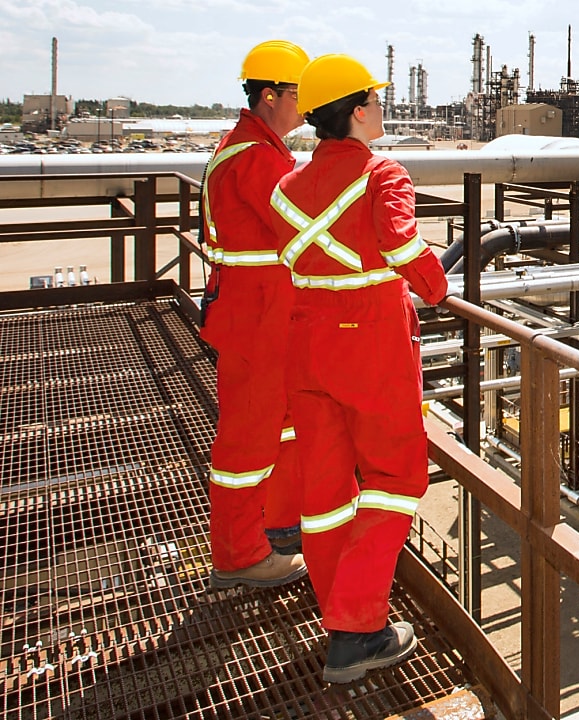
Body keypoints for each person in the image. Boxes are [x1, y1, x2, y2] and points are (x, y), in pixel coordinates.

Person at [268, 53, 450, 684]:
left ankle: (337, 608)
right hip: (368, 340)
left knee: (324, 493)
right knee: (396, 478)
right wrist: (435, 286)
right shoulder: (382, 173)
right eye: (374, 99)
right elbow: (402, 245)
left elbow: (288, 254)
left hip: (305, 340)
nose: (381, 107)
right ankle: (356, 629)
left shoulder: (287, 185)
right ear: (353, 110)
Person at [202, 40, 310, 589]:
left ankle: (278, 524)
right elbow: (301, 229)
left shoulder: (253, 147)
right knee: (248, 439)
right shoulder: (255, 158)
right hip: (256, 320)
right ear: (269, 96)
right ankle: (240, 554)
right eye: (298, 94)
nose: (305, 104)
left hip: (261, 314)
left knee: (280, 427)